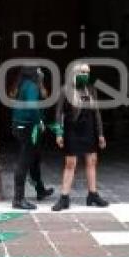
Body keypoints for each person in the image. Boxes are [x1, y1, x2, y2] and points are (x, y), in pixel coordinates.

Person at [52, 63, 109, 210]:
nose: (86, 75)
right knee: (70, 163)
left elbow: (96, 112)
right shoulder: (65, 90)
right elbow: (58, 114)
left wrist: (101, 133)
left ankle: (93, 194)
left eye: (88, 72)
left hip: (89, 130)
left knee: (92, 161)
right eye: (83, 72)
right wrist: (59, 132)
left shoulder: (91, 89)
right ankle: (64, 198)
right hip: (72, 130)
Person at [10, 66, 55, 210]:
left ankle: (40, 190)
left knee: (35, 159)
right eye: (39, 70)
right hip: (27, 128)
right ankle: (18, 199)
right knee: (24, 161)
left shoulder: (24, 84)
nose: (41, 72)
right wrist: (39, 121)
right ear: (34, 73)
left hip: (22, 126)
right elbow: (32, 106)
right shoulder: (31, 86)